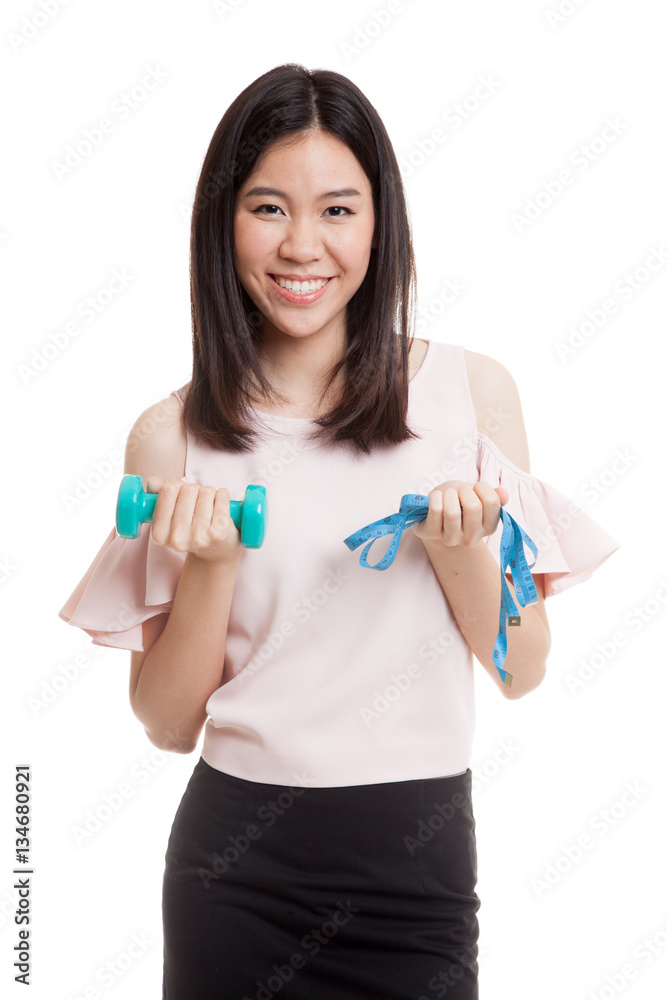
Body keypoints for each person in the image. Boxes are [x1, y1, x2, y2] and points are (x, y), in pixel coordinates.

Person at [58, 63, 620, 1000]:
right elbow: (164, 724)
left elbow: (522, 671)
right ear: (221, 222)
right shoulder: (171, 435)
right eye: (268, 207)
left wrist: (455, 548)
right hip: (234, 878)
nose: (302, 246)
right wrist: (212, 567)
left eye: (338, 210)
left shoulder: (470, 395)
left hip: (418, 871)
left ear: (379, 222)